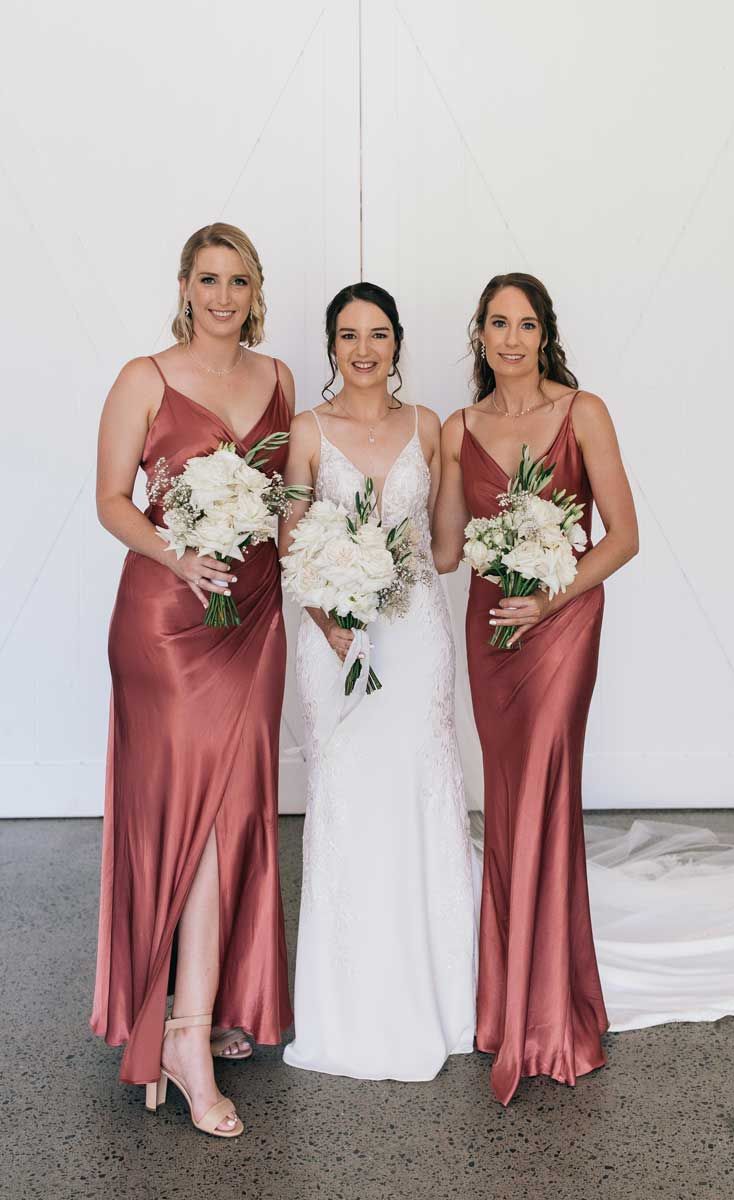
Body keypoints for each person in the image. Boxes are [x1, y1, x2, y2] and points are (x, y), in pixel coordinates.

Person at [91, 223, 294, 1137]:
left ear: (257, 290)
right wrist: (179, 557)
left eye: (238, 280)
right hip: (166, 626)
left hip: (253, 622)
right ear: (184, 285)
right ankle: (182, 1032)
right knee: (194, 822)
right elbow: (110, 501)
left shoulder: (280, 379)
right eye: (207, 279)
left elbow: (289, 506)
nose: (222, 296)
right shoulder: (144, 376)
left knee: (238, 810)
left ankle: (201, 1012)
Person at [433, 272, 639, 1105]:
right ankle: (510, 1000)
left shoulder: (583, 412)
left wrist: (553, 592)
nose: (510, 339)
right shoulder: (460, 427)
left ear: (545, 333)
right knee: (510, 799)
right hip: (493, 633)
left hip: (562, 627)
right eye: (496, 324)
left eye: (524, 324)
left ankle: (550, 1014)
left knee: (547, 795)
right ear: (478, 335)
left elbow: (623, 538)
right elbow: (450, 552)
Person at [279, 282, 476, 1081]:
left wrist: (396, 568)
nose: (365, 349)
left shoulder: (429, 427)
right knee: (347, 792)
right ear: (331, 345)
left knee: (419, 789)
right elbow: (291, 542)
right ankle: (348, 998)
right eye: (350, 335)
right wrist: (333, 613)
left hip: (415, 632)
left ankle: (443, 993)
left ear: (398, 344)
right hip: (332, 639)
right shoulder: (304, 431)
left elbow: (448, 548)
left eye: (380, 334)